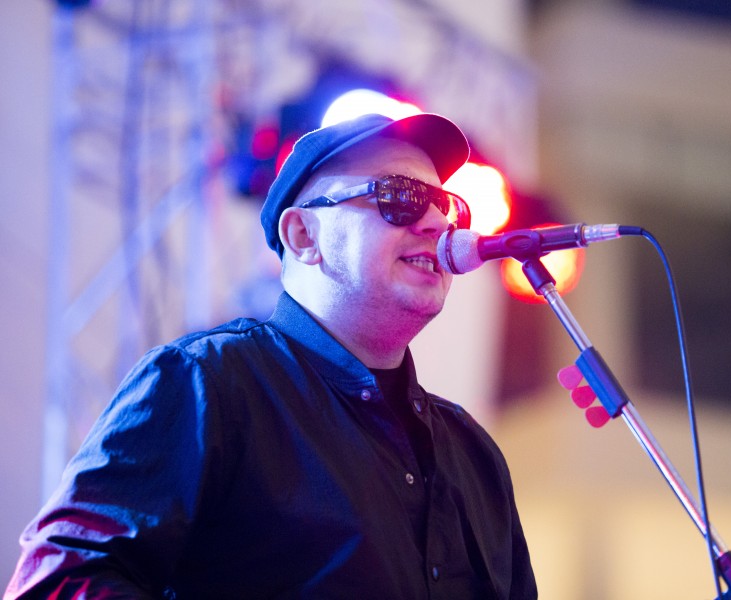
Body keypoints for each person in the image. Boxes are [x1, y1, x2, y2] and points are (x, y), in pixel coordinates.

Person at [5, 113, 537, 599]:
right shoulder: (206, 383)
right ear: (303, 235)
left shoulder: (473, 451)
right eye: (400, 196)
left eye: (447, 206)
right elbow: (56, 584)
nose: (438, 224)